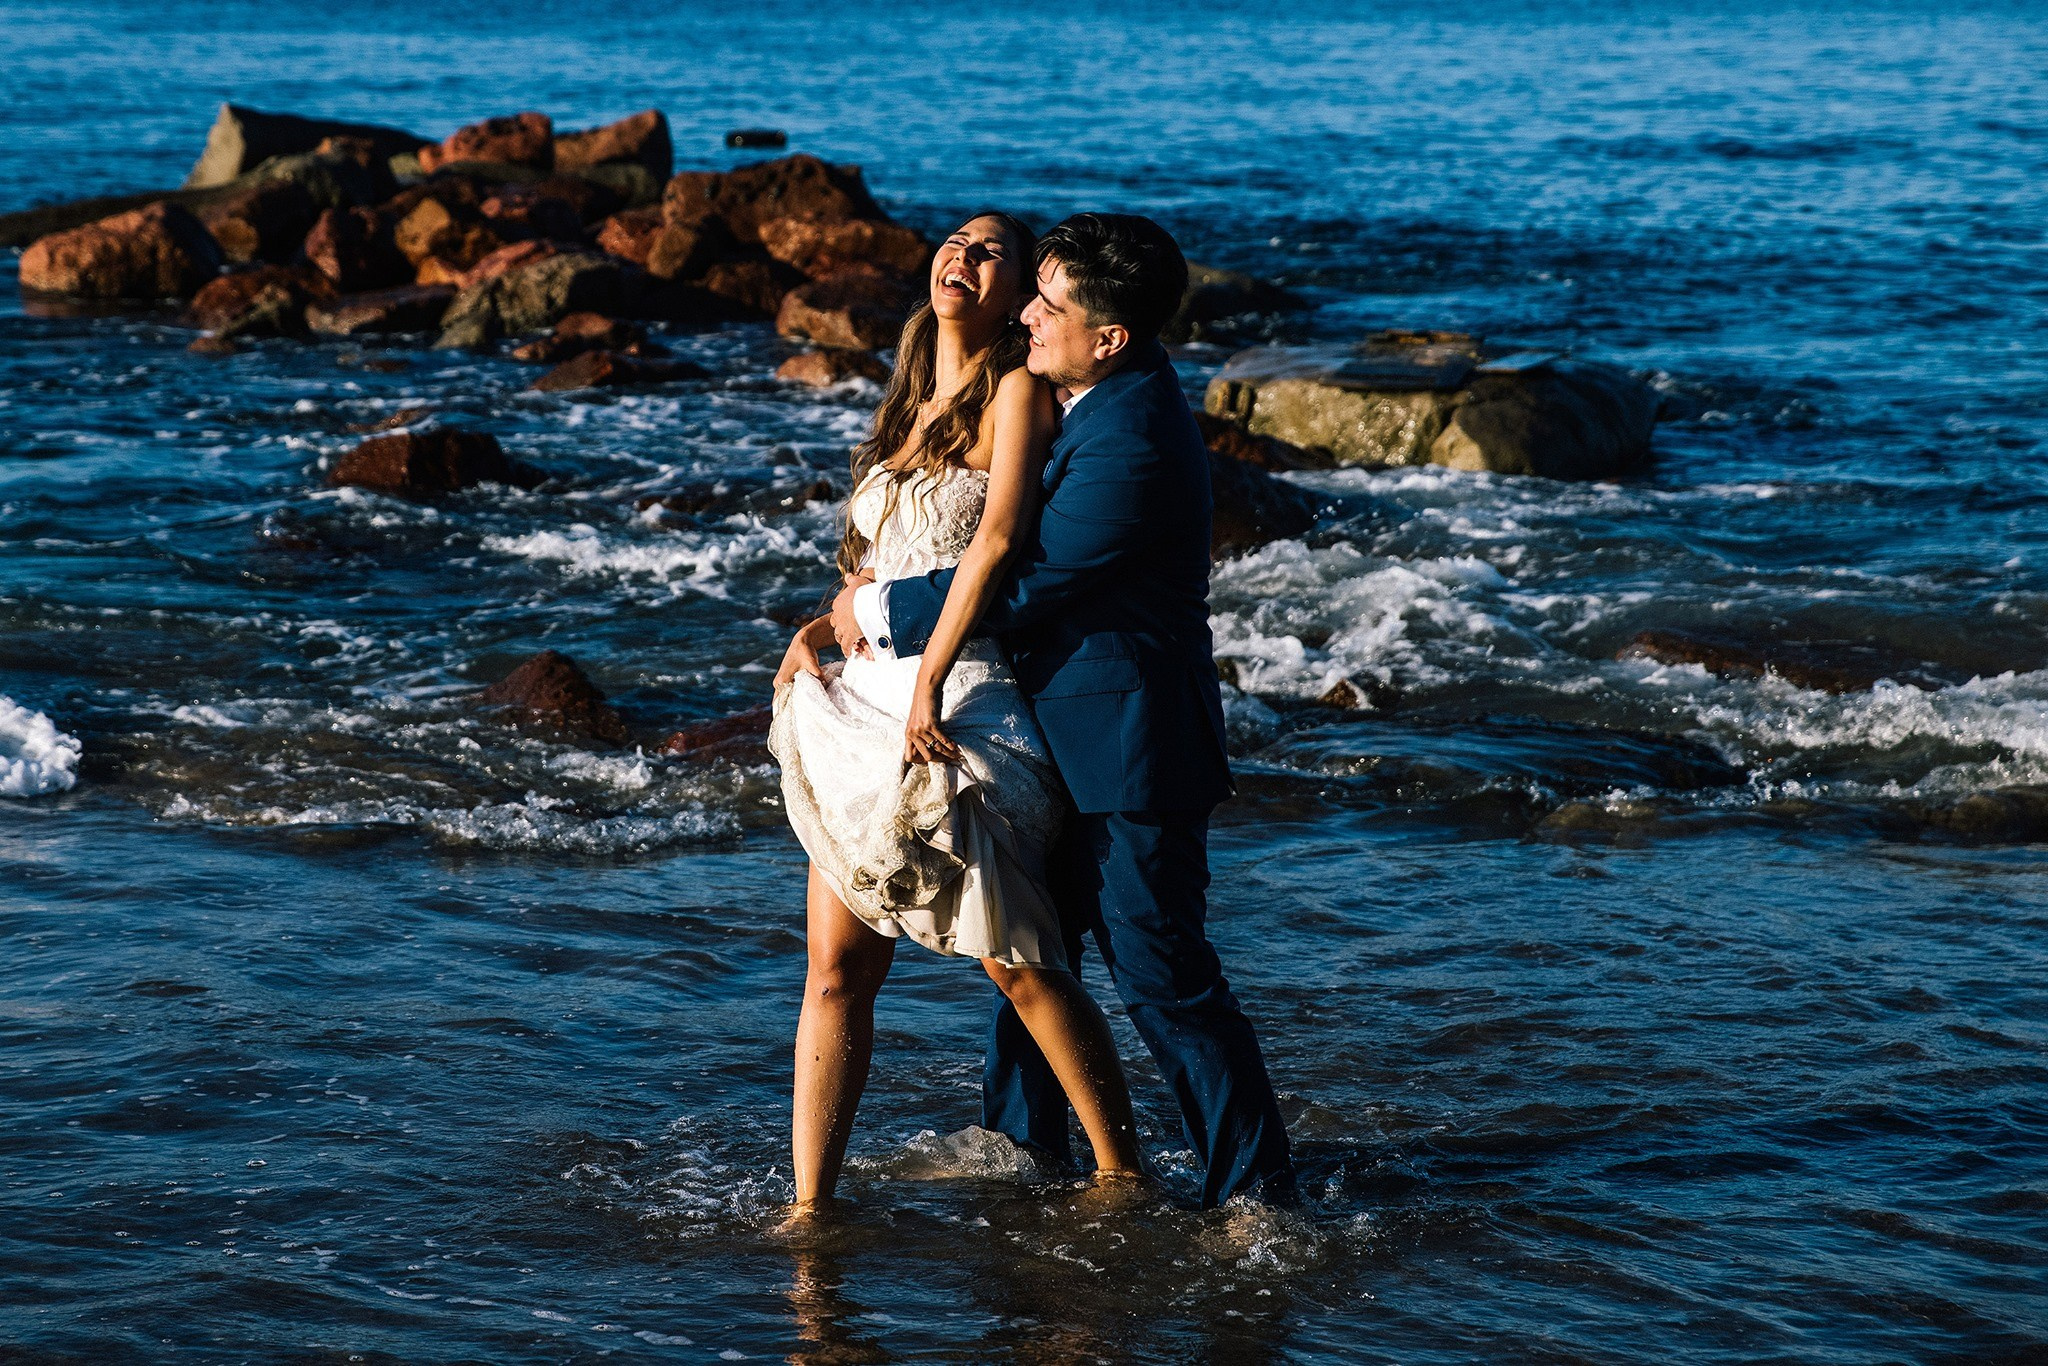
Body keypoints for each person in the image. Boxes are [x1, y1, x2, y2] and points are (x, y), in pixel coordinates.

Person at [835, 213, 1296, 1208]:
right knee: (1035, 961)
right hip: (1054, 732)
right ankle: (1026, 1155)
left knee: (1161, 973)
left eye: (1050, 306)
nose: (1030, 318)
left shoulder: (1129, 433)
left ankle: (1255, 1197)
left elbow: (1031, 577)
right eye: (1033, 292)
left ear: (1110, 337)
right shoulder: (1084, 398)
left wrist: (877, 612)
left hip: (1128, 748)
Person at [768, 211, 1142, 1213]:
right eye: (953, 241)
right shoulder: (900, 412)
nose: (959, 257)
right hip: (861, 708)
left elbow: (999, 543)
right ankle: (812, 1207)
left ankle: (1122, 1176)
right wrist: (812, 630)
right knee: (836, 971)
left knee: (1013, 961)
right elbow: (865, 571)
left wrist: (928, 678)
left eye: (989, 253)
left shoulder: (1016, 393)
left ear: (1018, 292)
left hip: (958, 697)